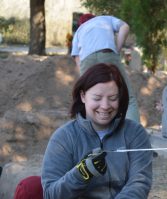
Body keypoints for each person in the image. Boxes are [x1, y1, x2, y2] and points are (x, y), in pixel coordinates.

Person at [41, 63, 152, 199]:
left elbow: (139, 183)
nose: (105, 106)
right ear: (83, 96)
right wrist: (81, 173)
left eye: (112, 98)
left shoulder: (135, 133)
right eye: (97, 98)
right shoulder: (64, 137)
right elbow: (50, 194)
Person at [71, 13, 140, 123]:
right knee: (128, 97)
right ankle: (134, 134)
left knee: (87, 98)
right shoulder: (105, 19)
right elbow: (125, 27)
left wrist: (85, 79)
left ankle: (87, 132)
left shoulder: (79, 30)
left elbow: (77, 58)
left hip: (86, 60)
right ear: (94, 18)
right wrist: (116, 49)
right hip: (107, 53)